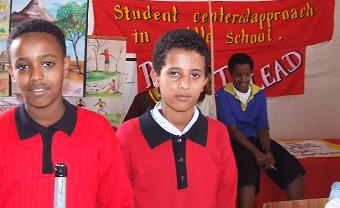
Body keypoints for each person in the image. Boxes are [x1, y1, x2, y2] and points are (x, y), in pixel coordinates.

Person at [0, 19, 133, 207]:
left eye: (47, 64)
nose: (36, 76)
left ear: (65, 65)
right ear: (11, 72)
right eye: (23, 67)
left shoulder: (98, 131)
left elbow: (119, 202)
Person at [117, 29, 237, 208]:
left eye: (194, 75)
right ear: (155, 77)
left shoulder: (218, 134)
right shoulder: (127, 135)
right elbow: (117, 200)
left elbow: (225, 200)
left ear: (205, 81)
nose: (184, 84)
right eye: (174, 73)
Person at [215, 53, 305, 208]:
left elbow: (262, 126)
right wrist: (257, 154)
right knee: (249, 173)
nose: (243, 80)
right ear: (231, 74)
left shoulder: (259, 93)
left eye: (247, 75)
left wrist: (267, 150)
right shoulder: (222, 95)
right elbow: (232, 129)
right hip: (235, 141)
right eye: (238, 75)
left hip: (256, 139)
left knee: (293, 169)